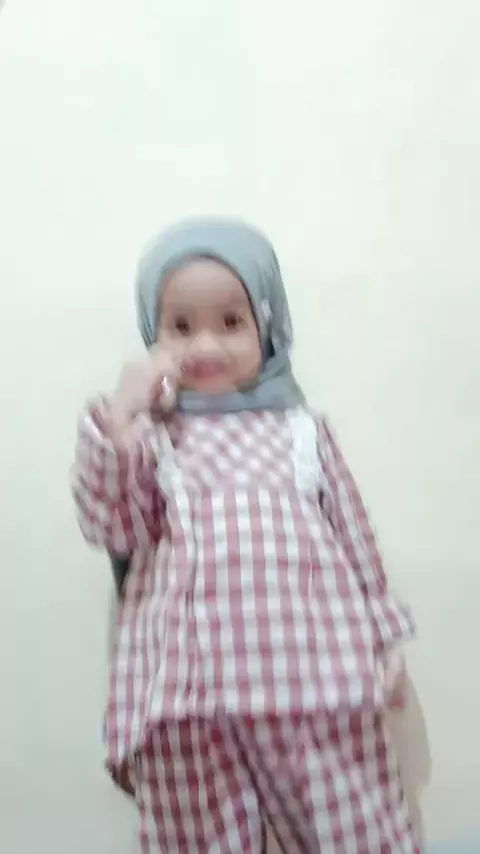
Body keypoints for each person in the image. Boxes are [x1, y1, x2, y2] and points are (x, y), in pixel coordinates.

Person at [71, 219, 420, 853]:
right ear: (153, 334)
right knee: (194, 836)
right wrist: (122, 411)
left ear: (268, 324)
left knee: (357, 828)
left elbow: (355, 542)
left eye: (231, 322)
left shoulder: (302, 432)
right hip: (187, 694)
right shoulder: (152, 439)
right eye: (180, 326)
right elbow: (109, 524)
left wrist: (383, 638)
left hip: (315, 682)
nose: (205, 343)